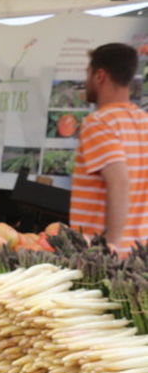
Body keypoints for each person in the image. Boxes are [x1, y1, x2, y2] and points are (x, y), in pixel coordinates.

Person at [71, 42, 148, 255]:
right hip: (138, 254)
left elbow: (119, 181)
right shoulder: (144, 121)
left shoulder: (99, 122)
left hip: (104, 257)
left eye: (88, 73)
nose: (86, 81)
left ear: (100, 76)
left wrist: (110, 246)